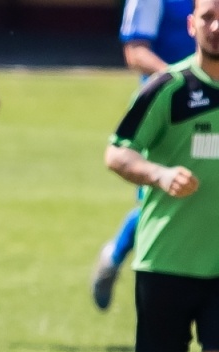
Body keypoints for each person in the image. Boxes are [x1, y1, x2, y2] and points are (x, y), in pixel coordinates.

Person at [106, 0, 219, 352]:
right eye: (209, 16)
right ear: (192, 24)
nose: (217, 25)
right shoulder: (168, 87)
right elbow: (117, 152)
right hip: (167, 256)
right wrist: (158, 173)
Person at [91, 0, 195, 311]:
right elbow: (135, 52)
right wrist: (182, 84)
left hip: (212, 108)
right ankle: (115, 255)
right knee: (163, 196)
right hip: (167, 113)